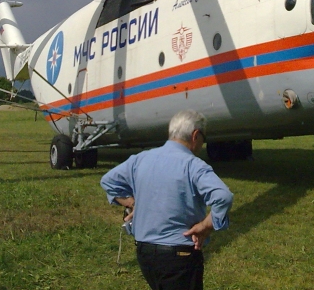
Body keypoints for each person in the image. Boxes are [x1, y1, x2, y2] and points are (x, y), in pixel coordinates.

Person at [100, 109, 233, 290]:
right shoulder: (193, 165)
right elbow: (223, 197)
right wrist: (205, 226)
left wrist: (133, 203)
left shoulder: (141, 159)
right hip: (180, 256)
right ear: (195, 135)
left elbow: (109, 181)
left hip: (145, 253)